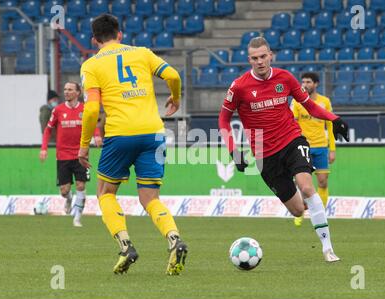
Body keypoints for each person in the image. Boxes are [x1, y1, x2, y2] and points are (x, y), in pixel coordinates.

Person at [218, 37, 349, 262]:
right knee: (298, 210)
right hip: (265, 155)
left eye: (263, 56)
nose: (259, 62)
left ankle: (328, 248)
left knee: (307, 187)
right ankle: (313, 211)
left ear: (271, 55)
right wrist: (233, 149)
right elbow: (223, 120)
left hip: (292, 141)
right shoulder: (239, 86)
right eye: (254, 58)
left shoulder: (285, 78)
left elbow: (308, 104)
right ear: (249, 59)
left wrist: (333, 118)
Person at [78, 14, 188, 275]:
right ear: (120, 34)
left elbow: (92, 109)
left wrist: (84, 144)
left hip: (120, 134)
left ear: (95, 40)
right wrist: (175, 97)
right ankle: (174, 239)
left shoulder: (91, 65)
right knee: (150, 197)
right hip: (154, 133)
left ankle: (126, 246)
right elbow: (172, 74)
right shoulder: (142, 53)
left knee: (105, 192)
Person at [40, 82, 102, 227]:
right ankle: (68, 199)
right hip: (63, 155)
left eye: (70, 89)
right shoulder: (58, 110)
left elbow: (93, 124)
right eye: (65, 89)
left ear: (78, 93)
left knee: (81, 185)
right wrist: (44, 148)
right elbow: (48, 130)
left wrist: (97, 135)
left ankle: (77, 218)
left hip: (81, 154)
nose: (66, 92)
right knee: (64, 190)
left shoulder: (85, 109)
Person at [291, 72, 336, 227]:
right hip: (303, 147)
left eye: (308, 82)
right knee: (303, 184)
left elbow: (330, 125)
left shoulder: (325, 102)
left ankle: (320, 213)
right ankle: (300, 212)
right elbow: (292, 123)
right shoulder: (297, 102)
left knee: (322, 182)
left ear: (316, 84)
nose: (304, 84)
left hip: (321, 147)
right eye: (303, 81)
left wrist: (332, 148)